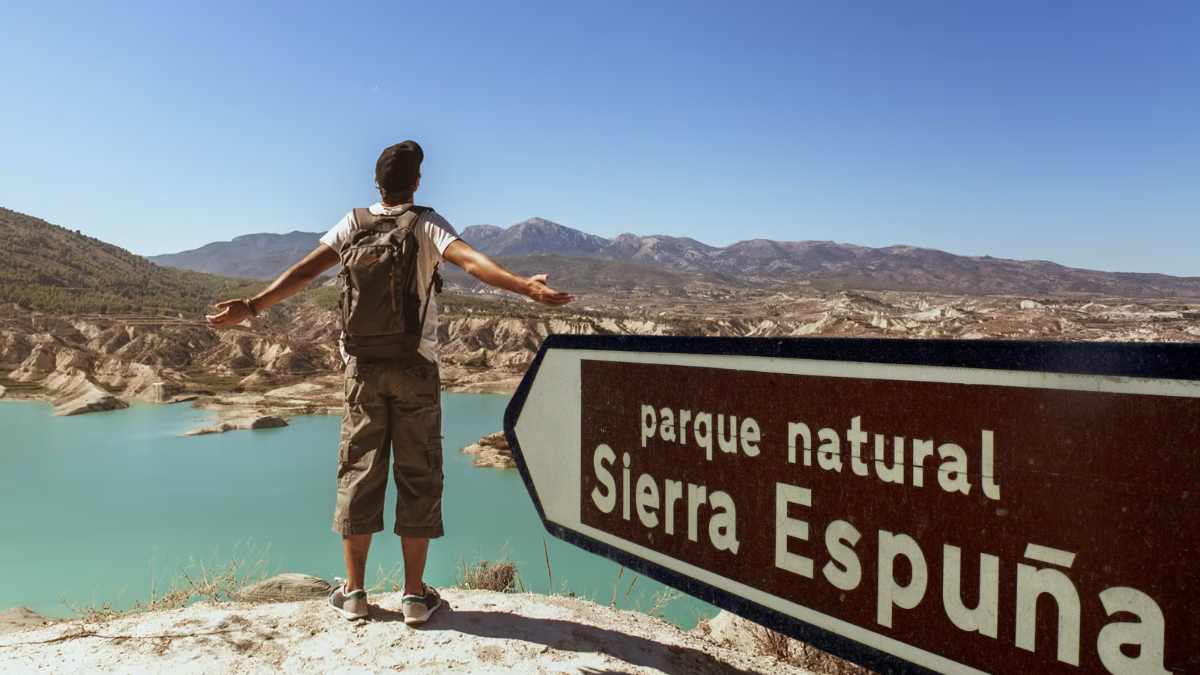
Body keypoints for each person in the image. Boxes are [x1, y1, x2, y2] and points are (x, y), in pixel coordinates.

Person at [206, 140, 572, 624]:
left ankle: (354, 594)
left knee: (358, 472)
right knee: (418, 475)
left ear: (376, 184)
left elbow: (303, 272)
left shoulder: (353, 223)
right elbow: (472, 263)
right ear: (416, 182)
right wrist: (526, 286)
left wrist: (250, 307)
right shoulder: (426, 223)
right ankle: (415, 597)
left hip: (362, 370)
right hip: (416, 369)